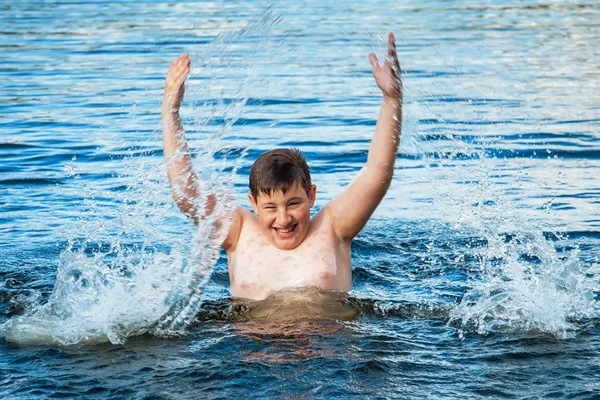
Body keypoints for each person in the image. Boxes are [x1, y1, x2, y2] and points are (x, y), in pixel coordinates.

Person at [161, 33, 402, 301]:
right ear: (253, 202)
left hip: (324, 339)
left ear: (311, 196)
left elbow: (376, 174)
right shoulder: (238, 231)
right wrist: (170, 110)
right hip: (253, 340)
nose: (284, 219)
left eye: (293, 203)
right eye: (270, 208)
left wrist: (391, 99)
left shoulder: (333, 227)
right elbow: (184, 191)